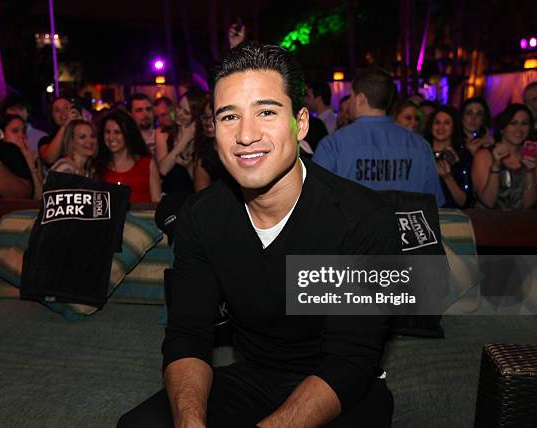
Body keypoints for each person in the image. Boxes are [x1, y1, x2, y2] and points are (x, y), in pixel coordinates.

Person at [118, 42, 399, 428]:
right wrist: (190, 423)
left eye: (266, 111)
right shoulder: (201, 217)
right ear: (213, 129)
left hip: (341, 383)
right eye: (229, 116)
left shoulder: (362, 219)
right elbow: (188, 335)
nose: (246, 135)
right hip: (253, 374)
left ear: (299, 123)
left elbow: (351, 358)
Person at [313, 69, 444, 206]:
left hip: (352, 227)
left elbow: (316, 202)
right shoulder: (419, 146)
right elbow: (433, 204)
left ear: (360, 99)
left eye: (351, 96)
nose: (349, 103)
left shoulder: (333, 145)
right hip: (403, 226)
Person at [472, 104, 536, 209]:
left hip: (522, 222)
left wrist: (529, 172)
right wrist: (495, 167)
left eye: (524, 123)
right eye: (513, 123)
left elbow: (529, 204)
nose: (519, 129)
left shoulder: (532, 157)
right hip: (488, 221)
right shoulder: (484, 155)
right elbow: (488, 202)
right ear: (502, 128)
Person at [94, 111, 161, 203]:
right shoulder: (98, 166)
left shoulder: (147, 163)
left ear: (128, 134)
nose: (111, 137)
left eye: (117, 132)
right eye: (107, 132)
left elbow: (156, 203)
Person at [155, 88, 207, 195]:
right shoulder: (163, 133)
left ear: (196, 118)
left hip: (192, 199)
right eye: (179, 107)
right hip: (168, 196)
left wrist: (188, 166)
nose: (179, 113)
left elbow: (201, 185)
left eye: (186, 112)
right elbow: (163, 169)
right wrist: (184, 140)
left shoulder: (203, 140)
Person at [423, 106, 472, 208]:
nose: (441, 127)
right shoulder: (421, 153)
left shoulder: (463, 156)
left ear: (454, 127)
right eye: (437, 122)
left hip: (452, 217)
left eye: (446, 123)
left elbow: (464, 201)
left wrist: (447, 177)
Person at [0, 114, 43, 199]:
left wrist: (31, 166)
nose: (21, 135)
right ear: (1, 134)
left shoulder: (33, 158)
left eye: (23, 132)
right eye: (15, 131)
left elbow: (39, 197)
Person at [193, 96, 225, 191]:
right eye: (206, 117)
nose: (209, 122)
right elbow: (202, 198)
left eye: (213, 117)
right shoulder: (205, 155)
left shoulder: (239, 148)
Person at [38, 96, 81, 166]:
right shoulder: (46, 140)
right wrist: (64, 126)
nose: (63, 113)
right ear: (52, 116)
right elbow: (49, 158)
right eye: (57, 110)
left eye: (66, 108)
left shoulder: (81, 136)